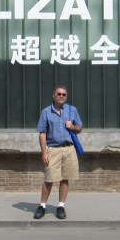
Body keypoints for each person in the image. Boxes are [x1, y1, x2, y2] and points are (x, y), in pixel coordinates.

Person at [34, 85, 83, 220]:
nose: (61, 96)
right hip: (53, 149)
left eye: (64, 94)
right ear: (54, 95)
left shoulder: (72, 110)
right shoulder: (46, 112)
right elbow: (42, 133)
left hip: (69, 148)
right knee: (49, 179)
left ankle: (61, 206)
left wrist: (72, 126)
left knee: (65, 178)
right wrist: (44, 152)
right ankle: (42, 206)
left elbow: (79, 128)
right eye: (59, 94)